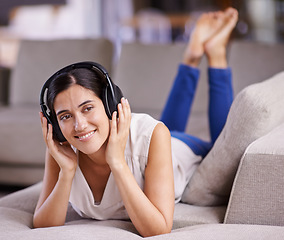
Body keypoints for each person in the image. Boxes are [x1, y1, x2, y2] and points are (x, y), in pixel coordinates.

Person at [33, 7, 238, 237]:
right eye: (65, 116)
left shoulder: (152, 135)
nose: (78, 125)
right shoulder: (61, 149)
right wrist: (67, 173)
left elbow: (158, 229)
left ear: (110, 105)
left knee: (222, 144)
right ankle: (191, 57)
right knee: (160, 132)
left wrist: (117, 163)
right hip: (151, 144)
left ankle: (216, 53)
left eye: (88, 108)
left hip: (180, 150)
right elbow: (42, 225)